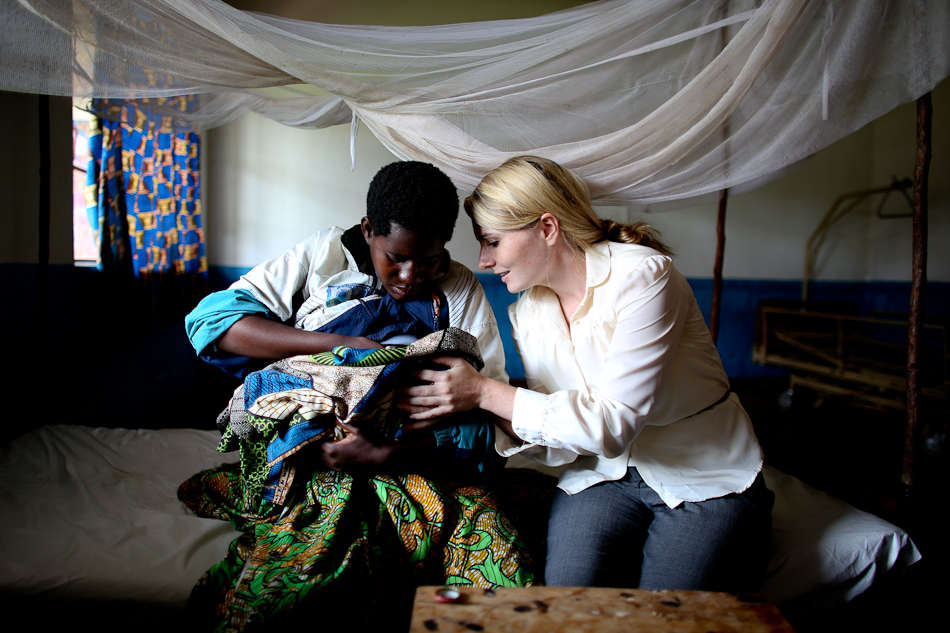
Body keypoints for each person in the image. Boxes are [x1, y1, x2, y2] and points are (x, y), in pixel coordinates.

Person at [178, 161, 534, 631]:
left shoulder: (459, 290)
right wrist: (342, 349)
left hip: (412, 457)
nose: (411, 276)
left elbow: (486, 418)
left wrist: (386, 452)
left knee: (493, 551)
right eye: (395, 257)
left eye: (428, 260)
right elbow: (213, 326)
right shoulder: (323, 257)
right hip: (317, 461)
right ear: (368, 230)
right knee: (315, 570)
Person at [398, 155, 774, 592]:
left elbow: (609, 426)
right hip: (604, 474)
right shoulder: (530, 311)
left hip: (705, 473)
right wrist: (466, 411)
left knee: (667, 616)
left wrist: (483, 392)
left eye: (492, 241)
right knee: (568, 599)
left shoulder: (644, 277)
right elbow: (565, 444)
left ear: (547, 228)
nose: (483, 260)